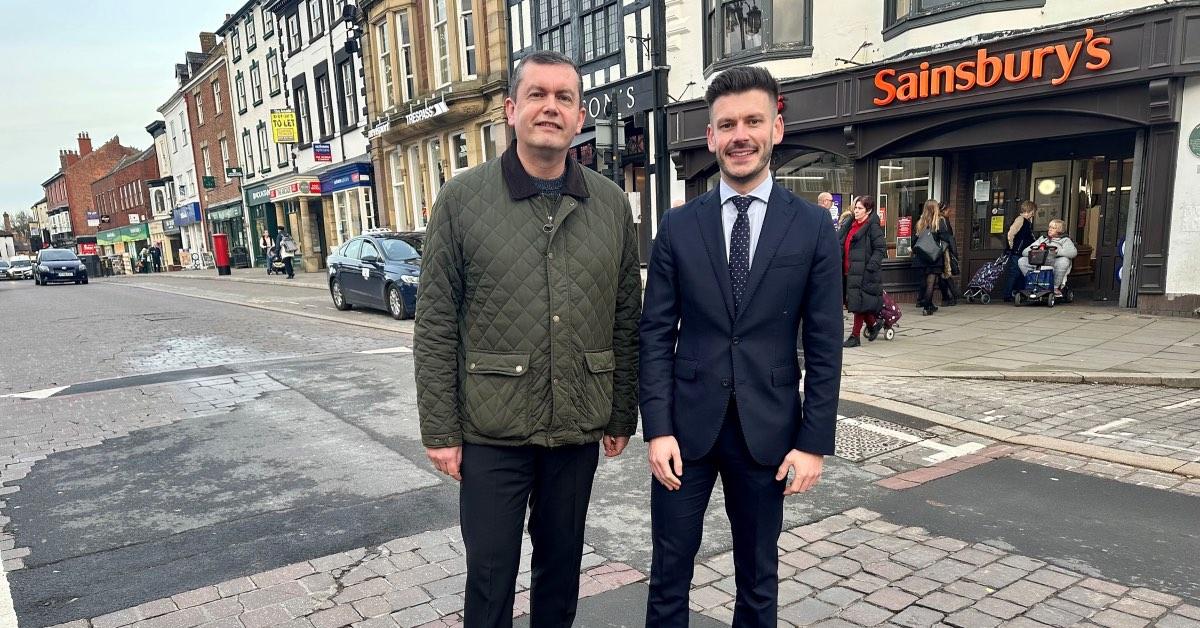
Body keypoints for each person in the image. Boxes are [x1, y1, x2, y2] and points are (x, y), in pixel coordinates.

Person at [413, 50, 642, 628]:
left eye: (564, 97)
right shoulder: (462, 200)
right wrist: (441, 430)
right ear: (512, 109)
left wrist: (620, 415)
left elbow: (625, 318)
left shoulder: (610, 203)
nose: (551, 107)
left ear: (580, 114)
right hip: (492, 428)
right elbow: (436, 321)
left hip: (575, 425)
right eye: (538, 95)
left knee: (561, 569)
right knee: (490, 574)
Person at [639, 66, 842, 628]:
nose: (740, 135)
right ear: (710, 137)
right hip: (686, 432)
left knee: (758, 578)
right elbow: (655, 333)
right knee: (668, 573)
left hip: (769, 433)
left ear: (776, 126)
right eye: (726, 124)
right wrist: (657, 428)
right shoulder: (678, 227)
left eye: (753, 121)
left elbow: (826, 345)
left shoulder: (811, 227)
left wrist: (813, 443)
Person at [840, 195, 886, 347]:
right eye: (855, 207)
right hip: (848, 270)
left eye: (860, 208)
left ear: (868, 210)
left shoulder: (872, 226)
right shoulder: (850, 224)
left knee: (857, 303)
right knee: (852, 301)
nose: (856, 210)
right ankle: (873, 324)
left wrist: (871, 266)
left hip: (864, 271)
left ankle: (855, 336)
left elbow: (880, 249)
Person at [1018, 218, 1078, 296]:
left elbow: (1073, 253)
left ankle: (1055, 287)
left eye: (1053, 228)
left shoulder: (1065, 240)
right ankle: (1033, 283)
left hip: (1054, 262)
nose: (1050, 229)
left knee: (1064, 260)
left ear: (1060, 230)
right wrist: (1037, 251)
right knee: (1022, 260)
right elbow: (1025, 252)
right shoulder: (1043, 239)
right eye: (1049, 227)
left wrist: (1057, 252)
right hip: (1039, 262)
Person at [914, 199, 951, 315]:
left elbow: (914, 240)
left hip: (921, 256)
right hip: (934, 256)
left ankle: (929, 304)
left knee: (924, 281)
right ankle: (927, 307)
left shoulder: (921, 222)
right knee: (931, 283)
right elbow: (946, 239)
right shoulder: (939, 222)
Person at [1004, 201, 1037, 301]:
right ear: (1030, 211)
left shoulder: (1027, 221)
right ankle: (1007, 294)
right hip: (1017, 252)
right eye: (1033, 212)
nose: (1033, 214)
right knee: (1014, 273)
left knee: (1019, 273)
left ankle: (1017, 292)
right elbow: (1011, 233)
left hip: (1022, 251)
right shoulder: (1020, 220)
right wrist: (1011, 247)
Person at [937, 203, 961, 306]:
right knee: (945, 275)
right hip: (944, 251)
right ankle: (952, 296)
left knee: (944, 275)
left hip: (941, 251)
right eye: (948, 210)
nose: (950, 212)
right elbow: (948, 237)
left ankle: (948, 297)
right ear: (943, 211)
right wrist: (954, 251)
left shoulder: (940, 220)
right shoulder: (942, 221)